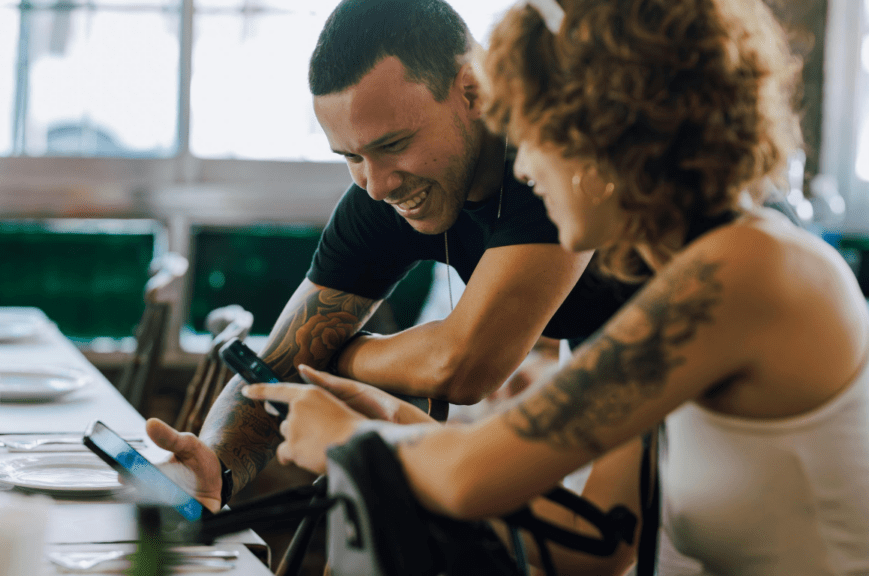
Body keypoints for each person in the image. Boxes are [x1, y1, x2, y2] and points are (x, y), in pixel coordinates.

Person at [244, 0, 869, 573]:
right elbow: (595, 545)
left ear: (610, 131)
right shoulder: (664, 289)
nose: (522, 165)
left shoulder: (748, 272)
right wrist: (401, 431)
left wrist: (359, 437)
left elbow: (467, 479)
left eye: (535, 132)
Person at [146, 0, 636, 513]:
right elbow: (275, 364)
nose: (376, 186)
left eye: (394, 144)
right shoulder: (384, 196)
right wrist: (215, 469)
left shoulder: (548, 162)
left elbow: (463, 365)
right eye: (352, 157)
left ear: (471, 90)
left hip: (685, 370)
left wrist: (336, 357)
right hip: (617, 370)